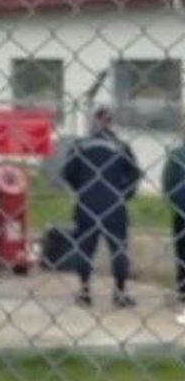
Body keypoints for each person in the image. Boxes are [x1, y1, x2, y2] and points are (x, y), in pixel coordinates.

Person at [63, 106, 143, 307]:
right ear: (111, 122)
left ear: (93, 121)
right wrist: (124, 194)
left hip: (87, 203)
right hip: (114, 203)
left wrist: (82, 189)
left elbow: (68, 173)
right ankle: (119, 293)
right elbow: (134, 174)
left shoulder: (80, 146)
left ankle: (84, 292)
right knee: (118, 249)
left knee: (85, 249)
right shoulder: (121, 146)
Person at [163, 123, 185, 319]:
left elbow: (168, 182)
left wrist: (175, 202)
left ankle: (183, 289)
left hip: (181, 210)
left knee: (182, 251)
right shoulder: (177, 154)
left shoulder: (177, 154)